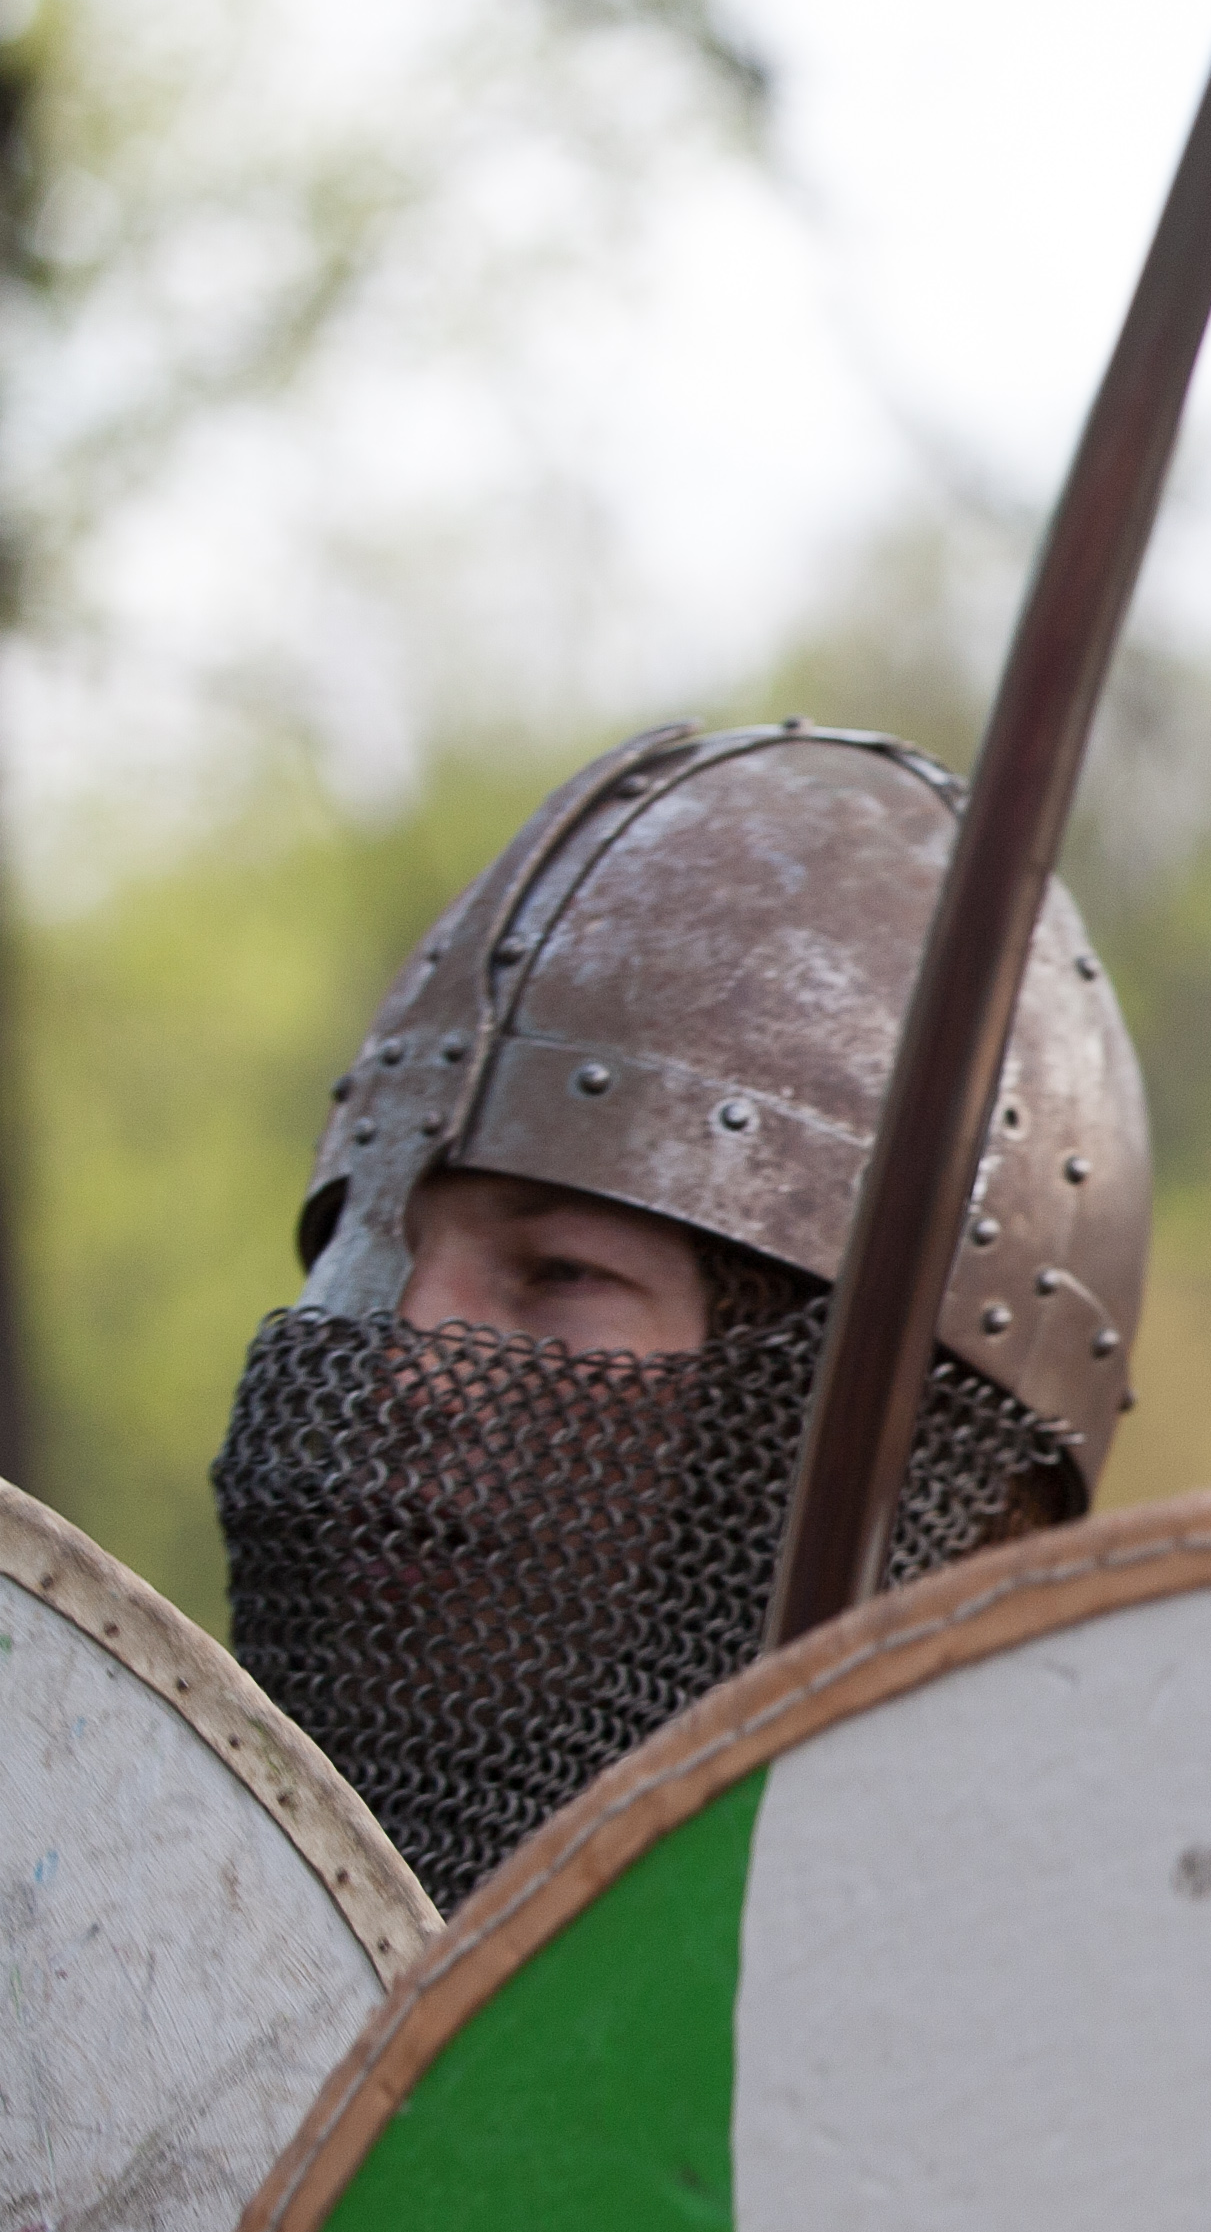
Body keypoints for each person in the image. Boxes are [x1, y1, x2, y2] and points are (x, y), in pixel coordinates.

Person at [211, 719, 1152, 1911]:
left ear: (844, 1435)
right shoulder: (121, 1943)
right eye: (374, 1250)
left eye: (559, 1270)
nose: (405, 1365)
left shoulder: (1024, 1984)